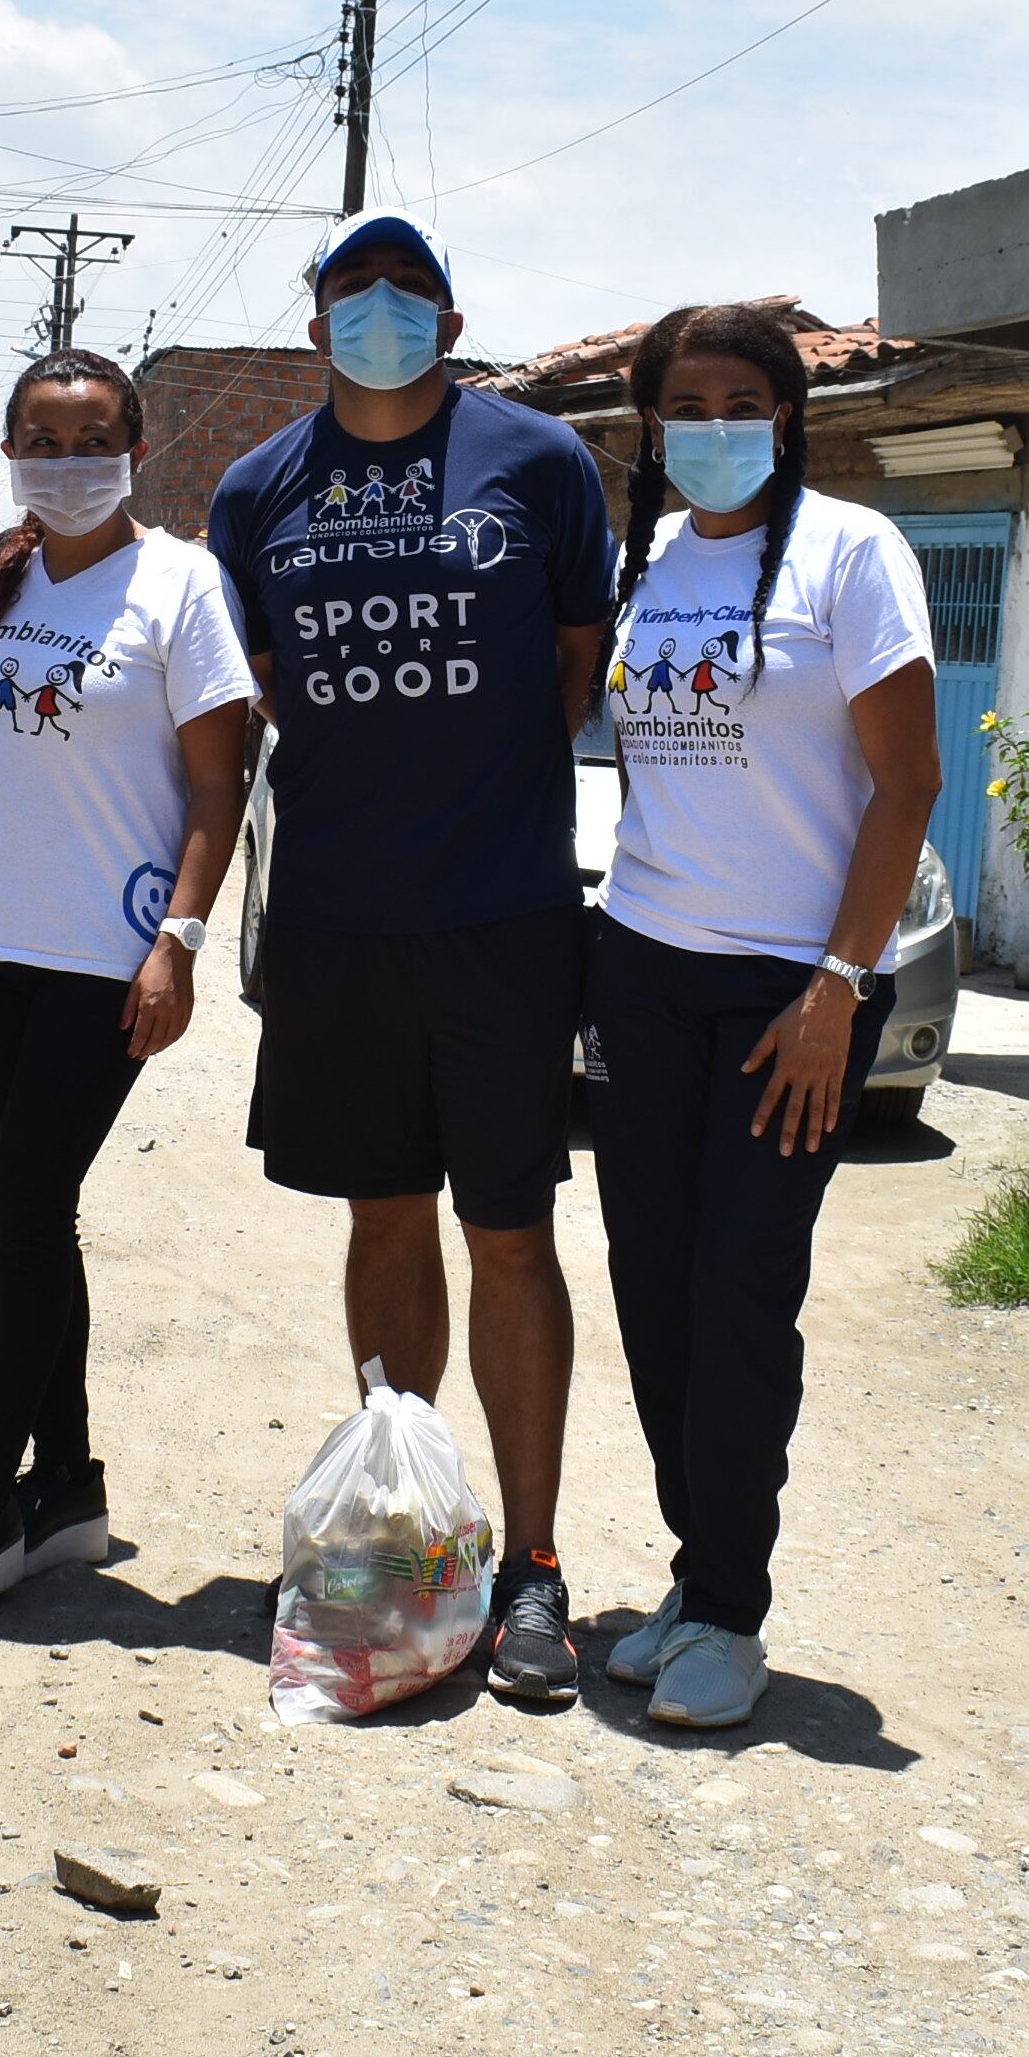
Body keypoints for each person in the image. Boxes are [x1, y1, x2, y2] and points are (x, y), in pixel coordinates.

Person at [209, 211, 613, 1705]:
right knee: (386, 1217)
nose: (380, 309)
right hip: (337, 913)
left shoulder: (539, 462)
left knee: (510, 1231)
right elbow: (260, 680)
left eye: (410, 290)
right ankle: (404, 1538)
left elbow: (575, 662)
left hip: (502, 912)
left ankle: (534, 1570)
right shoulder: (259, 491)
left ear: (449, 316)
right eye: (351, 291)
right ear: (316, 321)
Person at [587, 304, 944, 1730]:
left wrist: (838, 989)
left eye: (746, 400)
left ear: (787, 416)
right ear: (654, 424)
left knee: (741, 1293)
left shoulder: (855, 555)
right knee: (650, 1290)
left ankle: (732, 1605)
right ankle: (697, 1567)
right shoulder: (648, 561)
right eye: (691, 404)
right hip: (643, 962)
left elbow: (907, 785)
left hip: (792, 990)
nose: (717, 425)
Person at [0, 353, 257, 1625]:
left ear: (134, 447)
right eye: (39, 437)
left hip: (108, 956)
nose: (65, 458)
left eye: (91, 437)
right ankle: (70, 1486)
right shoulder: (1, 571)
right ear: (7, 450)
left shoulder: (180, 584)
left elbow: (218, 783)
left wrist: (180, 941)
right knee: (31, 1213)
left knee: (25, 1209)